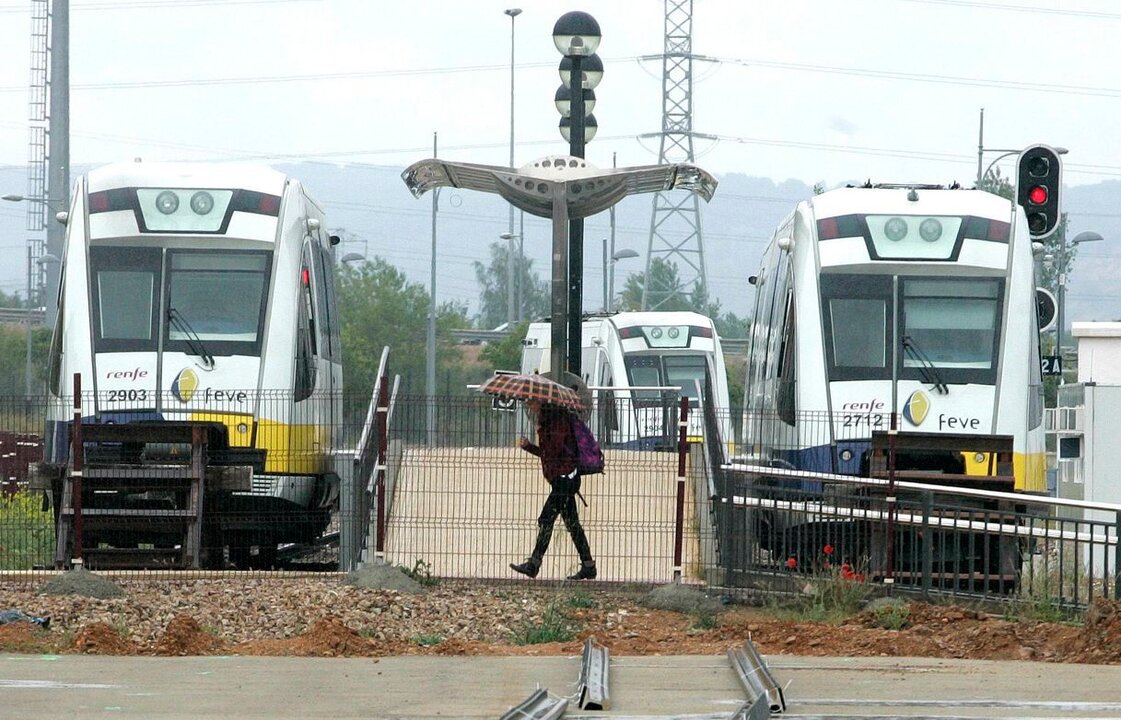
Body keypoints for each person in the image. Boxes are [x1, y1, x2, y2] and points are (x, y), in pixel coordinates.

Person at [509, 397, 597, 580]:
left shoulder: (555, 421)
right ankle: (588, 566)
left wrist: (541, 433)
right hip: (563, 479)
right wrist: (529, 447)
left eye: (530, 402)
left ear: (540, 402)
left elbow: (554, 450)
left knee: (546, 519)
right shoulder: (549, 420)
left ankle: (534, 564)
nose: (528, 406)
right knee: (572, 524)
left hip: (565, 480)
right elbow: (547, 453)